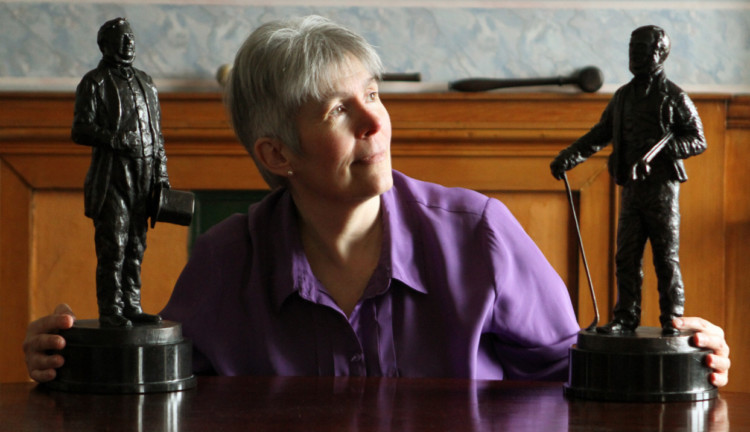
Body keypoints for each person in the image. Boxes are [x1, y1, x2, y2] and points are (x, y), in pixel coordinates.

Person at [24, 17, 730, 386]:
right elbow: (157, 396)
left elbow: (578, 379)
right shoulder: (223, 262)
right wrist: (60, 361)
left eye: (374, 95)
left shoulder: (482, 233)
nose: (375, 123)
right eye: (339, 110)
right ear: (277, 155)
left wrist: (686, 354)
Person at [551, 25, 706, 336]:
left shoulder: (674, 96)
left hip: (661, 189)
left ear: (660, 53)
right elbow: (599, 135)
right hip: (632, 188)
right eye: (632, 47)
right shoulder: (622, 97)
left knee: (665, 257)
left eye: (642, 48)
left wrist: (662, 151)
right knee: (626, 255)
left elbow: (697, 139)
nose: (634, 54)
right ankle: (625, 317)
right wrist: (569, 156)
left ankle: (672, 319)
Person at [71, 18, 169, 328]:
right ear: (104, 46)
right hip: (113, 176)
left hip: (144, 175)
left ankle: (132, 304)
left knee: (137, 246)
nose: (129, 42)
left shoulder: (146, 82)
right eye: (121, 38)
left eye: (131, 37)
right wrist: (115, 139)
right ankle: (111, 309)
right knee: (113, 244)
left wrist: (162, 176)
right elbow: (80, 129)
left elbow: (157, 135)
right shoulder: (94, 82)